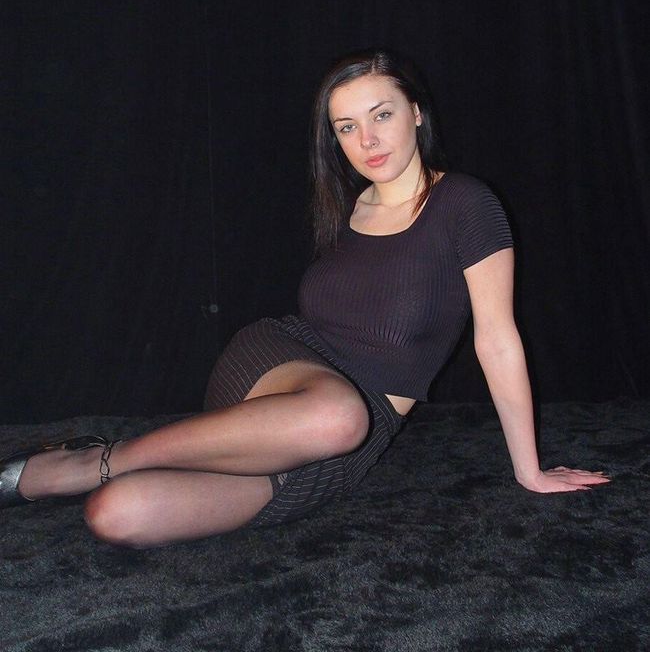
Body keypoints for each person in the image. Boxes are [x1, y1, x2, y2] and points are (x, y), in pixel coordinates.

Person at [0, 49, 609, 545]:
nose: (367, 139)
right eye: (347, 127)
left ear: (417, 113)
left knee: (115, 515)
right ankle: (96, 460)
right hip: (279, 364)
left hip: (349, 434)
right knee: (333, 414)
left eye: (382, 115)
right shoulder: (353, 207)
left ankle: (113, 468)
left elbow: (497, 339)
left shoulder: (465, 204)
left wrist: (528, 470)